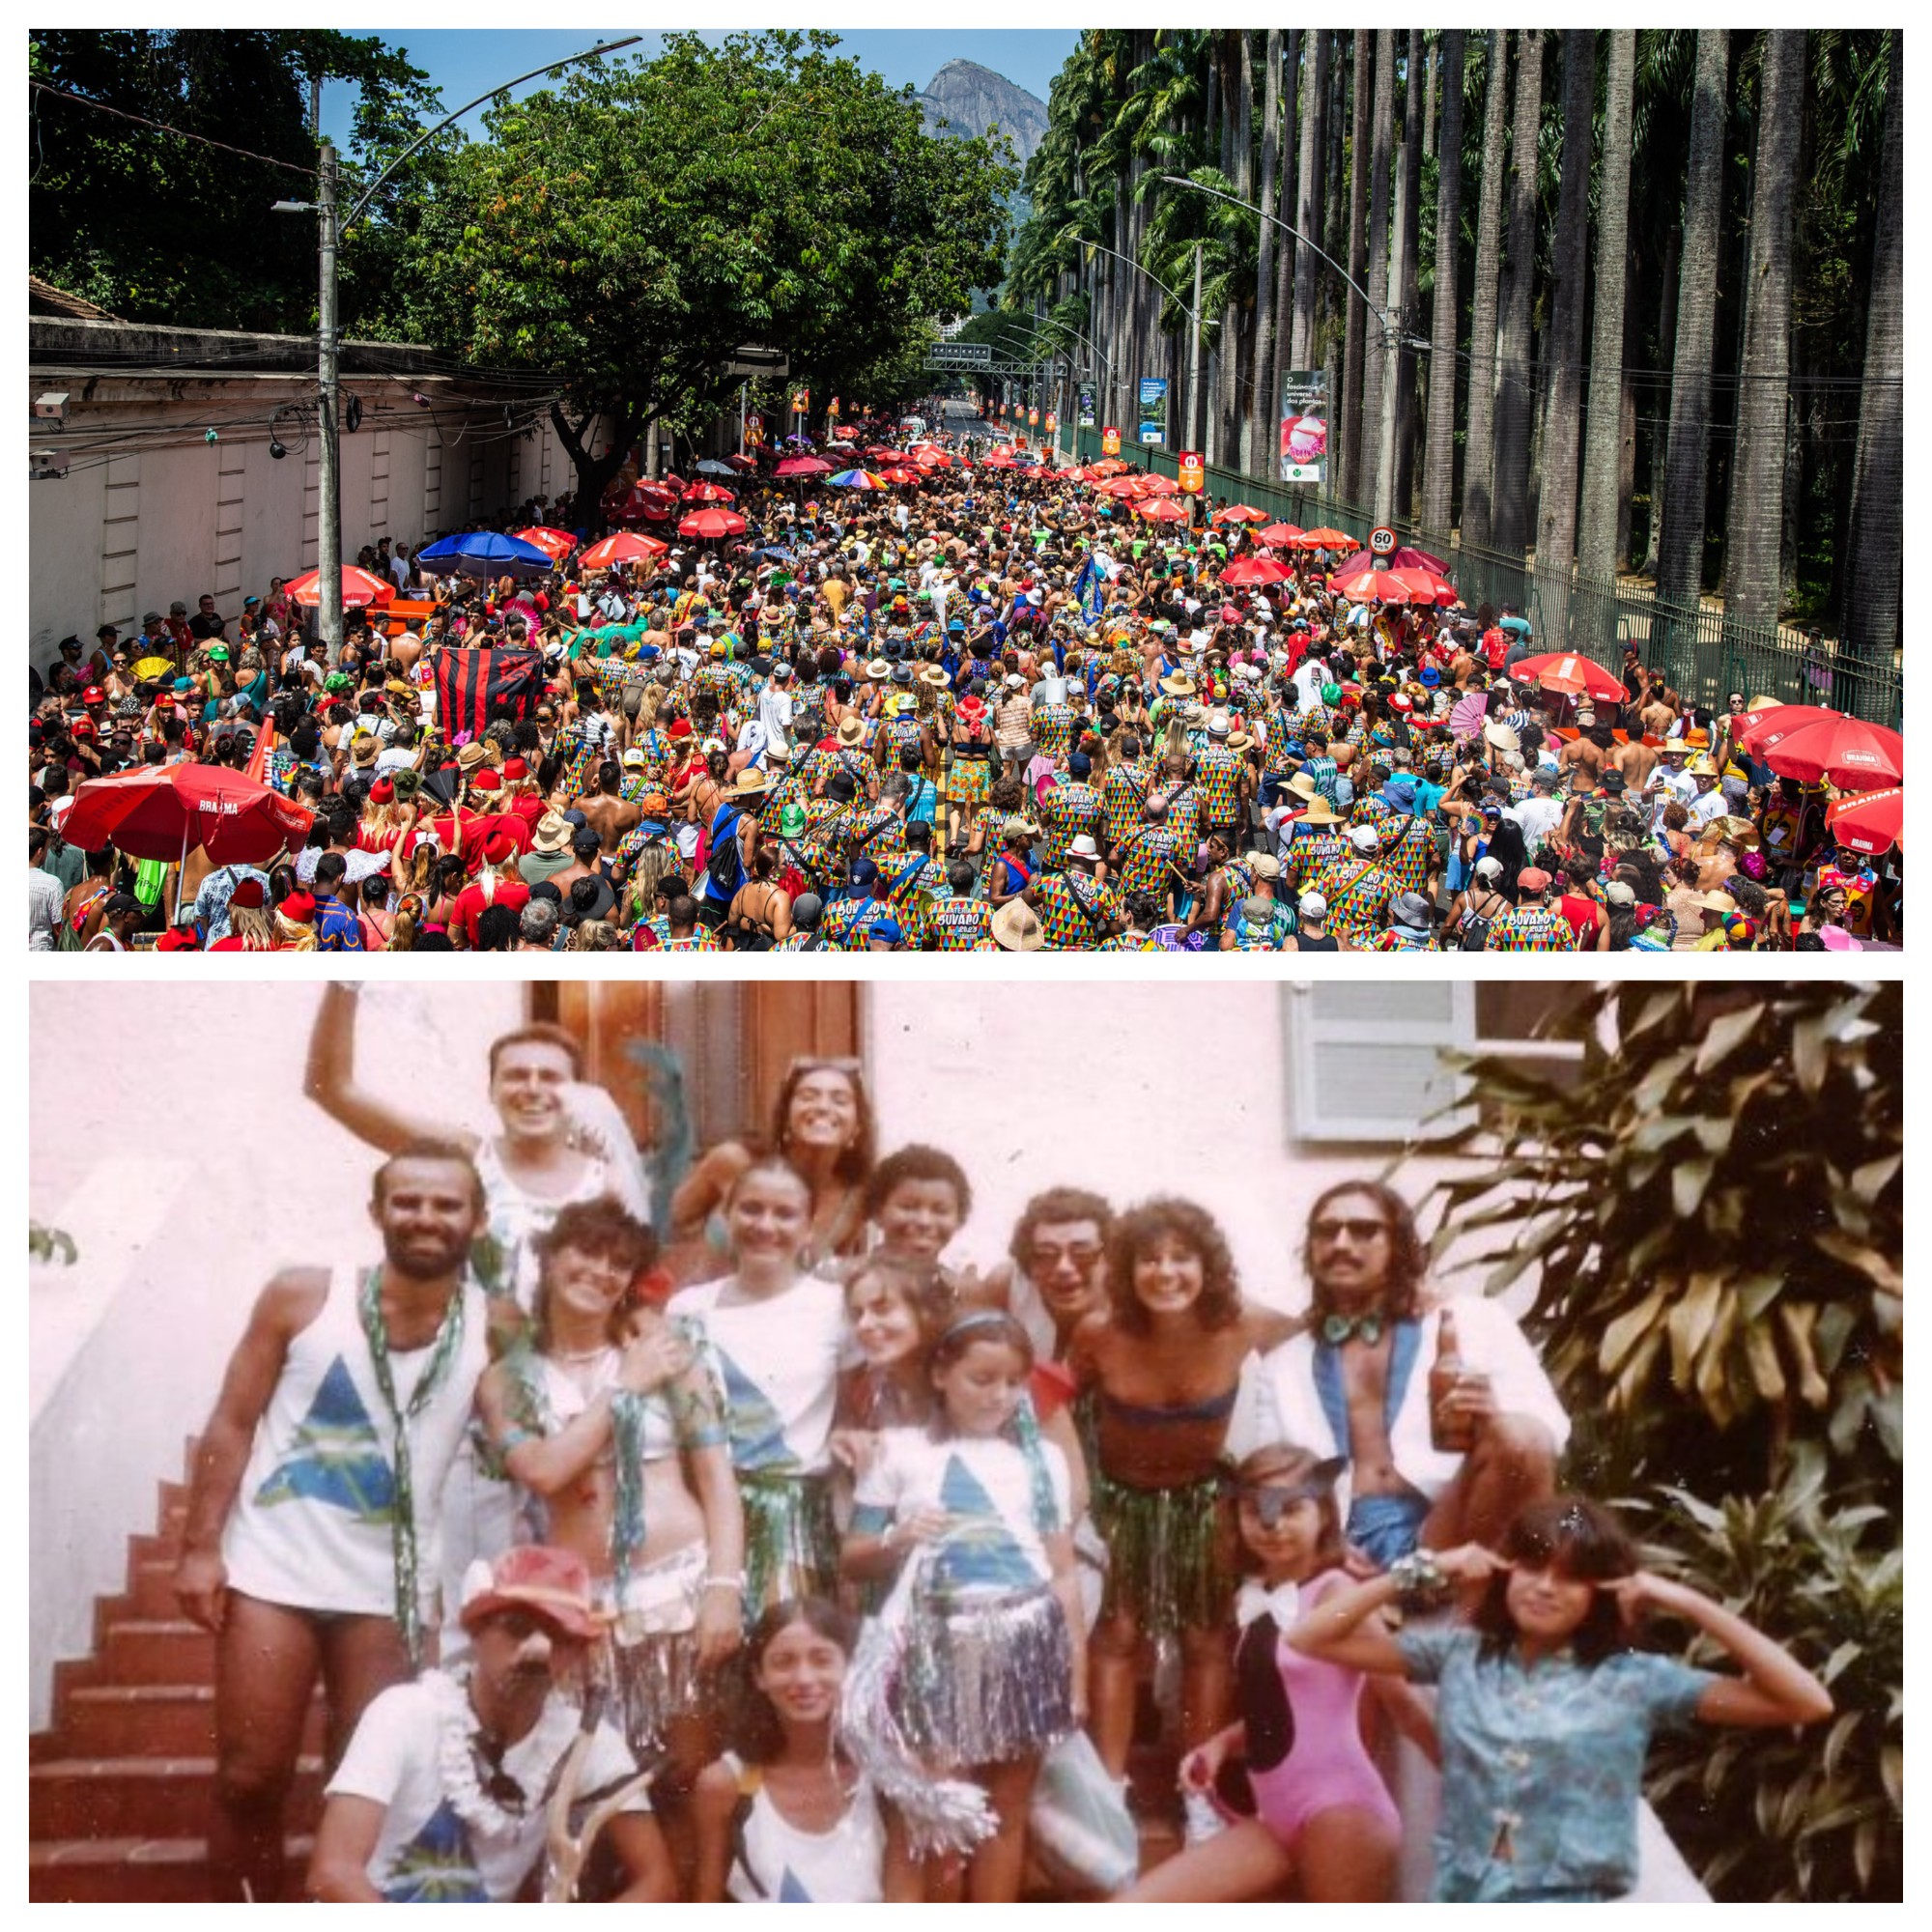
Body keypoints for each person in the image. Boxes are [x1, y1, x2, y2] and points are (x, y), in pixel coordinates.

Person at [174, 1142, 493, 1902]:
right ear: (376, 1211)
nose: (425, 1217)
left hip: (391, 1586)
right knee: (250, 1776)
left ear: (477, 1221)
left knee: (363, 1786)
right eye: (407, 1201)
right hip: (272, 1568)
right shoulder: (302, 1296)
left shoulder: (495, 1324)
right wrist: (198, 1549)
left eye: (446, 1204)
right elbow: (230, 1423)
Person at [1289, 1495, 1833, 1901]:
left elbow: (1805, 1702)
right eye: (1532, 1566)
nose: (1545, 1586)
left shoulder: (1634, 1679)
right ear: (1508, 1572)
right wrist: (1424, 1568)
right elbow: (1310, 1636)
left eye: (1571, 1577)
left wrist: (1686, 1601)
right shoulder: (1461, 1654)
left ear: (1602, 1593)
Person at [473, 1200, 743, 1776]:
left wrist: (723, 1587)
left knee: (687, 1771)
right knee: (594, 1779)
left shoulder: (666, 1349)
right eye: (587, 1252)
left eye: (619, 1263)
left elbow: (717, 1479)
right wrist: (625, 1386)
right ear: (547, 1259)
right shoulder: (507, 1379)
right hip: (583, 1607)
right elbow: (545, 1470)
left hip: (681, 1589)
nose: (601, 1271)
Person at [843, 1310, 1085, 1903]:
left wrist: (1075, 1674)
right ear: (942, 1373)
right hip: (935, 1646)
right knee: (943, 1803)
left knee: (1007, 1806)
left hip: (1027, 1639)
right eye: (982, 1379)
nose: (999, 1395)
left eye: (1012, 1382)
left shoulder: (1042, 1461)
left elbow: (1063, 1572)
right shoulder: (898, 1451)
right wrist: (896, 1538)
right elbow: (852, 1556)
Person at [308, 1544, 676, 1902]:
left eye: (560, 1636)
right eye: (517, 1627)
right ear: (476, 1631)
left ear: (578, 1651)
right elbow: (333, 1873)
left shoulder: (585, 1742)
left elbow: (657, 1882)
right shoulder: (405, 1713)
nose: (538, 1649)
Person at [1074, 1197, 1297, 1779]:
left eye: (1182, 1258)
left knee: (1205, 1639)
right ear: (1127, 1270)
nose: (1165, 1272)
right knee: (1117, 1636)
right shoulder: (1099, 1333)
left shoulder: (1249, 1324)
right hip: (1121, 1505)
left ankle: (1197, 1790)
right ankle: (1109, 1789)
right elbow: (1053, 1406)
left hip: (1206, 1506)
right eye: (1149, 1259)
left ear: (1209, 1267)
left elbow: (1319, 1333)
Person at [1119, 1445, 1400, 1903]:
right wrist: (1221, 1743)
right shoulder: (1254, 1600)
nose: (1272, 1526)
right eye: (1254, 1511)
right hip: (1275, 1817)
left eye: (1291, 1510)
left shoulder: (1336, 1593)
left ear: (1324, 1515)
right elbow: (1294, 1707)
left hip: (1340, 1811)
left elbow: (1399, 1697)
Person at [1246, 1180, 1569, 1571]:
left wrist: (1494, 1417)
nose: (1343, 1244)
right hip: (1344, 1537)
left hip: (1453, 1517)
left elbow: (1547, 1431)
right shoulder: (1285, 1362)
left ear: (1397, 1245)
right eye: (1327, 1231)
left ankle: (1478, 1603)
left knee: (1523, 1438)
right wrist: (1322, 1542)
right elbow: (1270, 1474)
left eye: (1364, 1230)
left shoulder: (1471, 1320)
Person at [305, 985, 644, 1310]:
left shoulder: (605, 1179)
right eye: (515, 1075)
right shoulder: (468, 1159)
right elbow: (334, 1090)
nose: (532, 1088)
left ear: (578, 1094)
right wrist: (344, 976)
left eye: (551, 1077)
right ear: (491, 1091)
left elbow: (636, 1277)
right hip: (473, 1354)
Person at [668, 1159, 849, 1614]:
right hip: (702, 1510)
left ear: (809, 1228)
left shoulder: (836, 1308)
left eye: (785, 1214)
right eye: (751, 1209)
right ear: (727, 1217)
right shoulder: (688, 1309)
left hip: (791, 1520)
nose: (766, 1225)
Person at [690, 1599, 902, 1902]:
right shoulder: (725, 1785)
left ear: (850, 1668)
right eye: (783, 1662)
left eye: (821, 1660)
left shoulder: (889, 1782)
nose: (803, 1679)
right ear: (759, 1676)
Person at [668, 1056, 875, 1284]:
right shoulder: (733, 1162)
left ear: (857, 1127)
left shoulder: (856, 1197)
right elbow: (666, 1225)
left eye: (840, 1100)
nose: (823, 1107)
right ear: (786, 1116)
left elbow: (831, 1280)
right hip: (707, 1310)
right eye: (808, 1096)